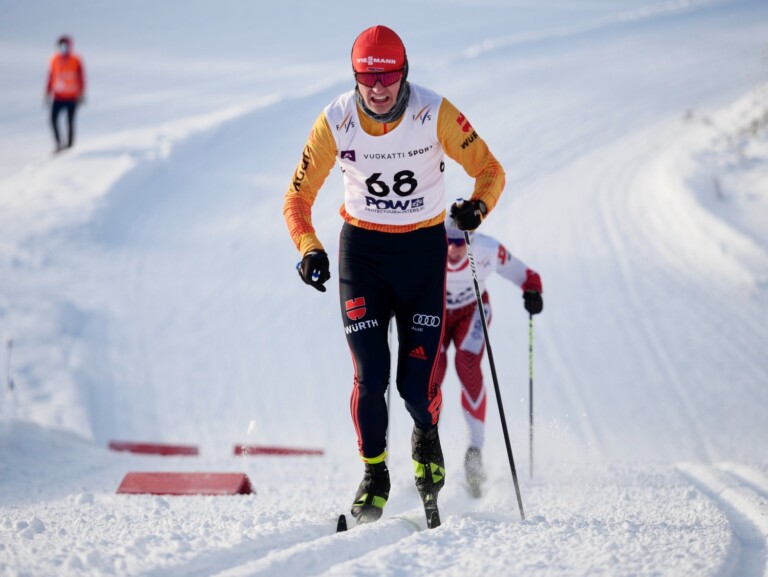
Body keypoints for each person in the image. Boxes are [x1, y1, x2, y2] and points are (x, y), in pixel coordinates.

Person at [283, 25, 505, 525]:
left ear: (404, 73)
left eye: (387, 77)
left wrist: (477, 208)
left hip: (421, 253)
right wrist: (310, 247)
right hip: (362, 254)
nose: (378, 89)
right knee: (370, 373)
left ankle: (426, 434)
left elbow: (490, 170)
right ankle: (374, 473)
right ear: (355, 77)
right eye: (368, 78)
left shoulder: (434, 112)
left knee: (415, 387)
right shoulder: (336, 120)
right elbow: (297, 196)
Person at [436, 221, 543, 498]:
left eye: (459, 242)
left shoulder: (487, 249)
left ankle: (475, 452)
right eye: (448, 241)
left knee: (467, 365)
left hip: (472, 310)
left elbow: (525, 274)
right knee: (431, 373)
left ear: (471, 240)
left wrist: (532, 290)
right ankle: (428, 447)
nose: (453, 249)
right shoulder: (428, 244)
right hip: (435, 310)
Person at [45, 35, 86, 153]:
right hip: (58, 96)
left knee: (70, 122)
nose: (63, 48)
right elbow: (50, 76)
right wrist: (47, 92)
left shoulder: (76, 60)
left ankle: (69, 146)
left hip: (72, 97)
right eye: (61, 45)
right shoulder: (54, 60)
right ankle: (58, 144)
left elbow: (81, 77)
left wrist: (81, 94)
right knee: (53, 120)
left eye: (65, 45)